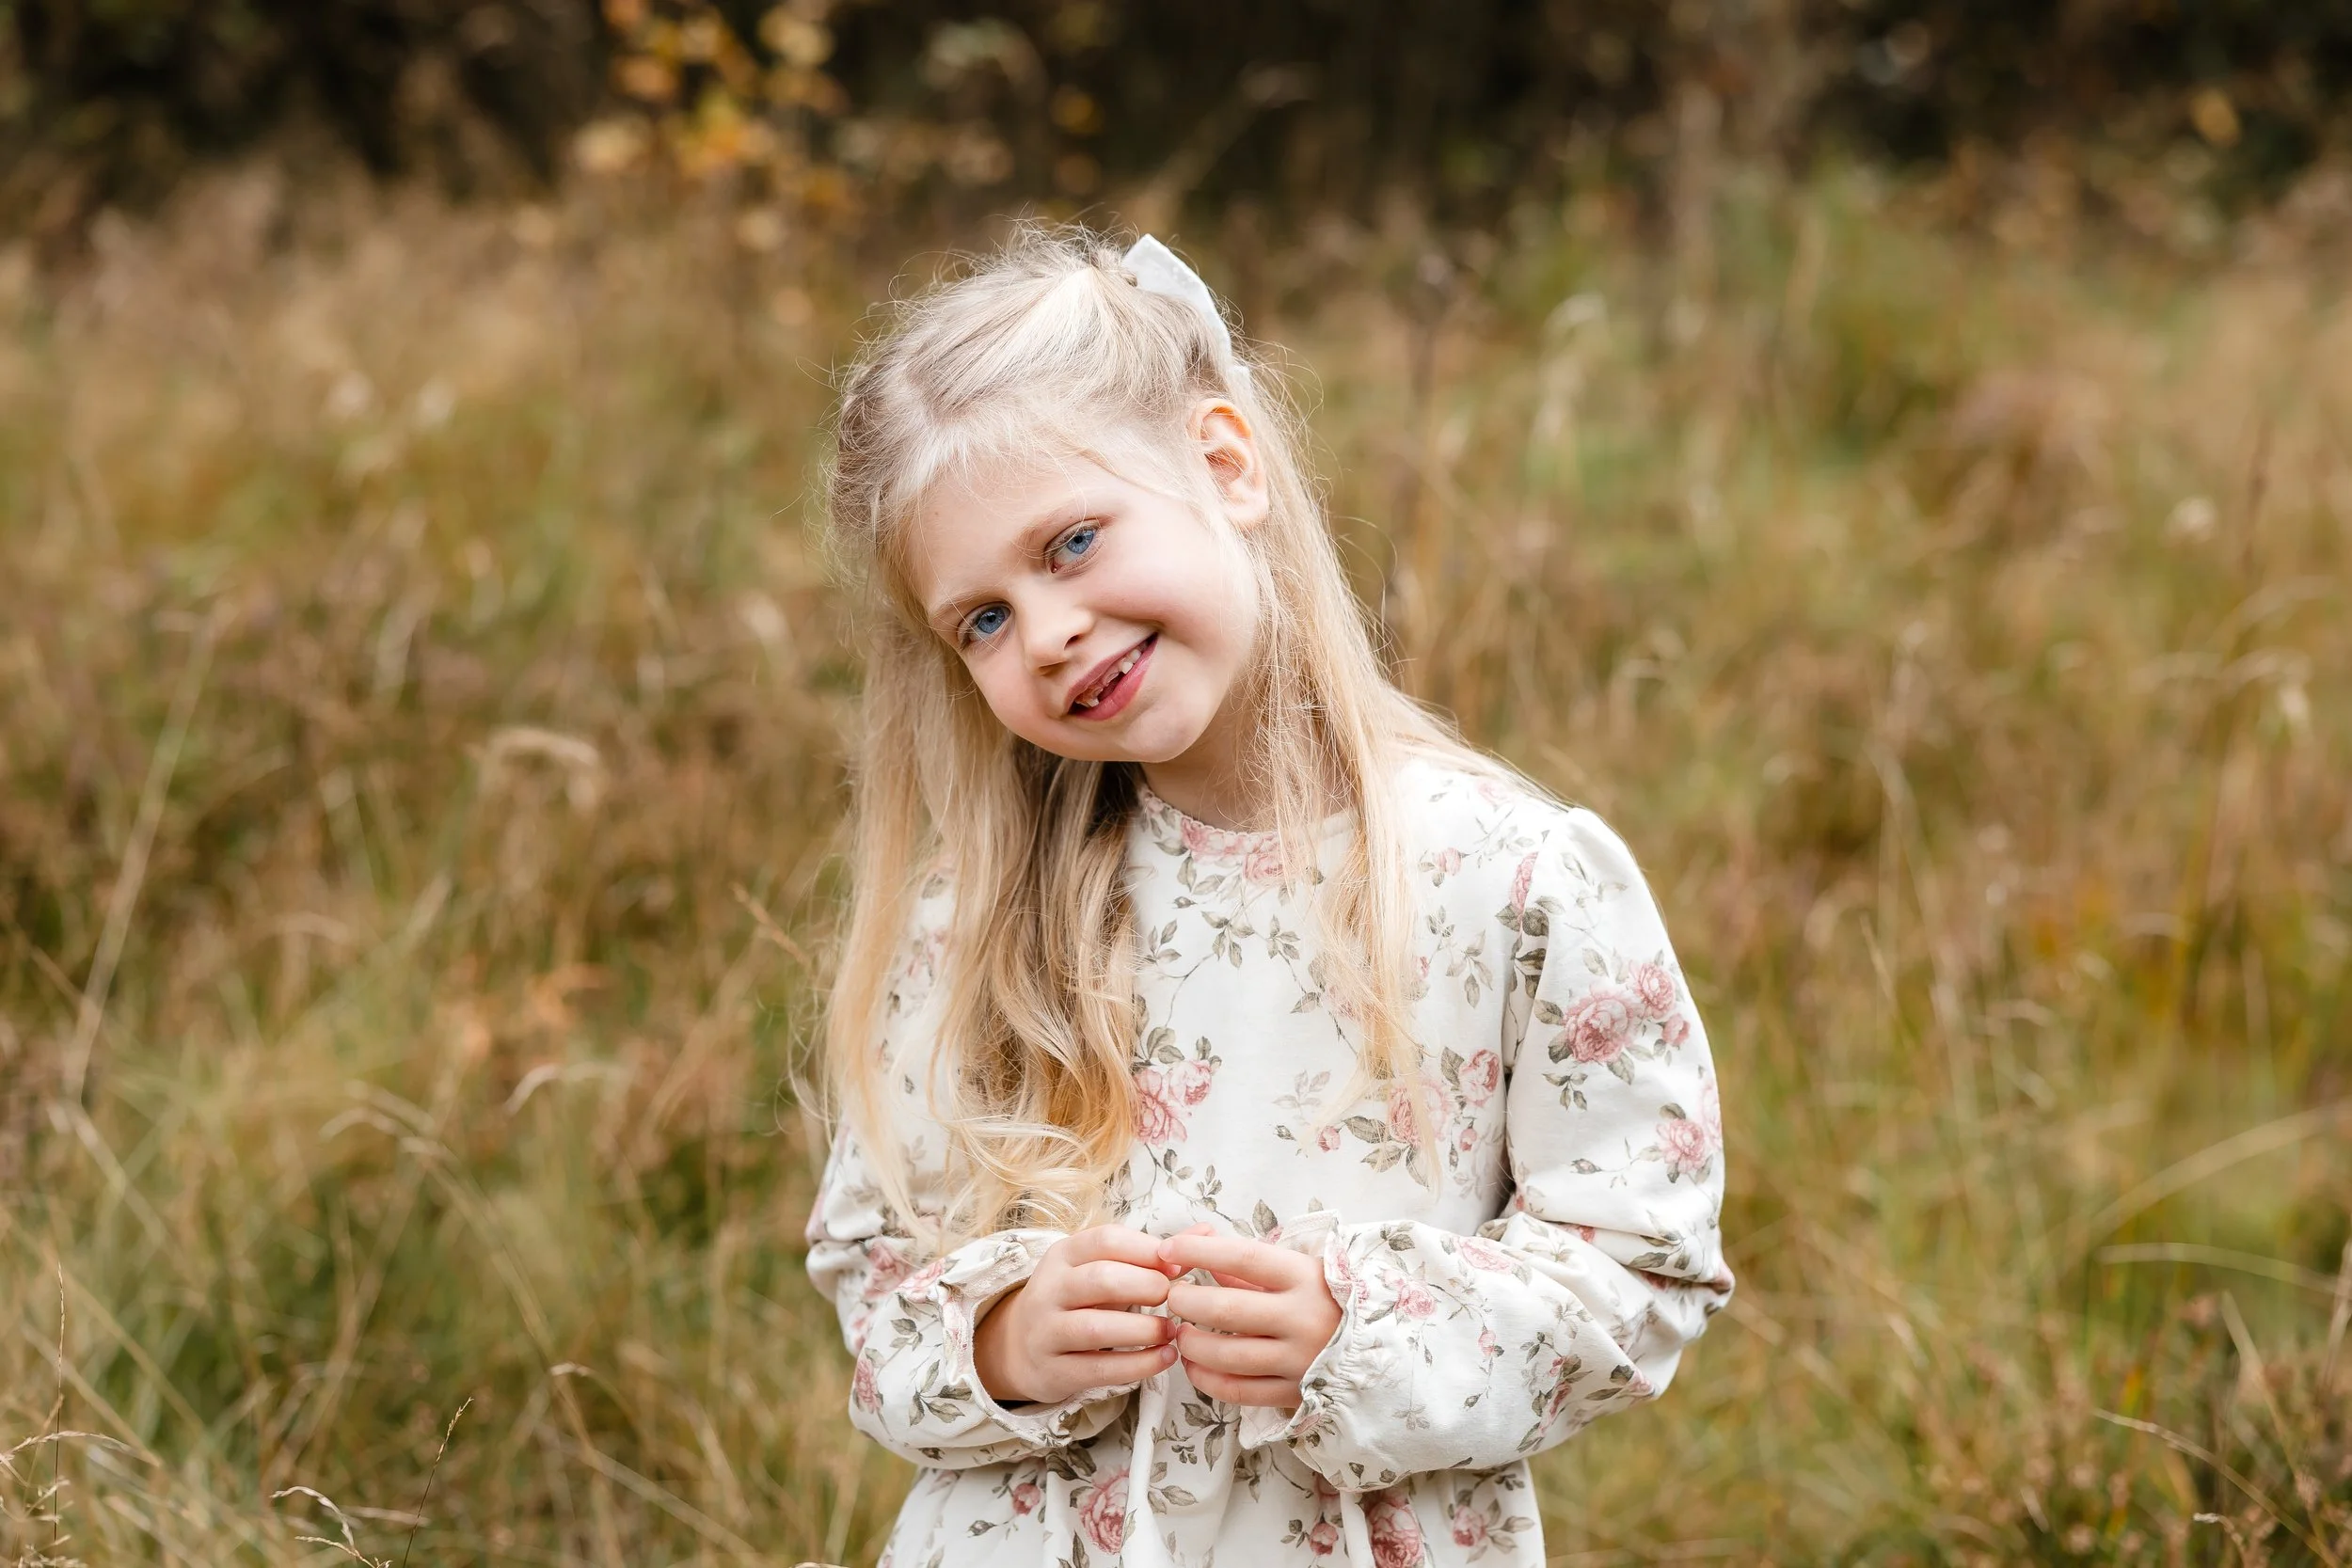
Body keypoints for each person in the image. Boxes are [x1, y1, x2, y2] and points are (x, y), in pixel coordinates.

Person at [804, 229, 1734, 1567]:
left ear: (1226, 463)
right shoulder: (980, 924)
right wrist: (1003, 1339)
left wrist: (1360, 1330)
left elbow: (1640, 1266)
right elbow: (874, 1264)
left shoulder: (1509, 878)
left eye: (1072, 542)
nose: (1048, 632)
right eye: (984, 621)